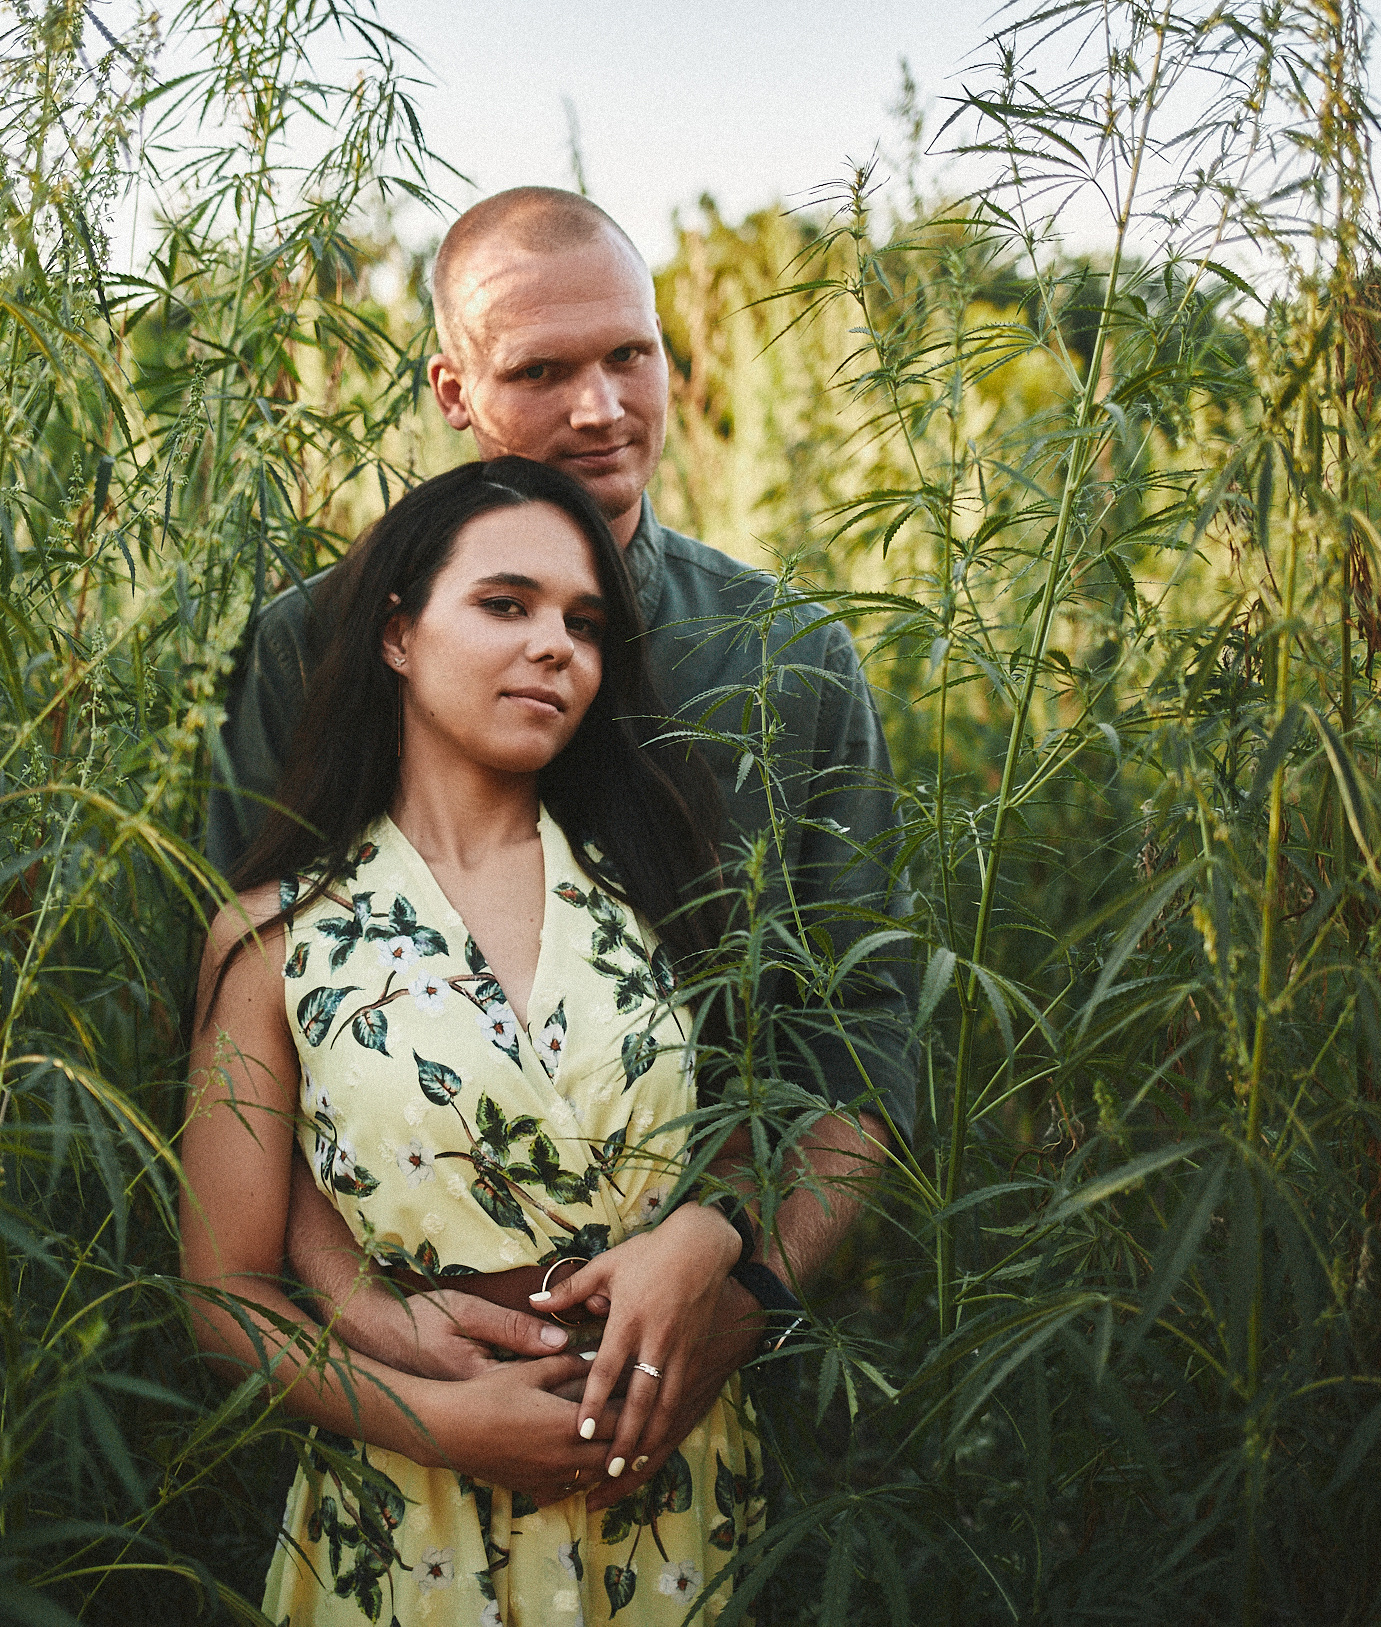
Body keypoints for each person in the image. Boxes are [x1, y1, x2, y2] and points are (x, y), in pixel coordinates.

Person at [204, 187, 916, 1516]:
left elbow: (863, 1032)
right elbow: (245, 1047)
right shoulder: (317, 646)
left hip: (708, 1385)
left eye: (628, 356)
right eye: (541, 369)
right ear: (454, 387)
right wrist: (381, 1327)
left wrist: (735, 1284)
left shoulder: (789, 660)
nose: (600, 408)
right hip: (402, 1404)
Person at [181, 458, 770, 1624]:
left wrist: (711, 1231)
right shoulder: (275, 937)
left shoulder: (662, 881)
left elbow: (756, 1134)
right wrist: (441, 1421)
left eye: (585, 623)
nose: (557, 645)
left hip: (670, 1480)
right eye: (507, 604)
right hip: (409, 1505)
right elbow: (224, 1293)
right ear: (398, 634)